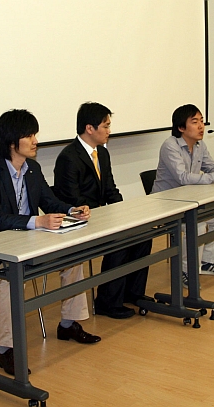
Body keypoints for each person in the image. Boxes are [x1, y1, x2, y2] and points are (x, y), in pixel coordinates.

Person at [0, 109, 100, 376]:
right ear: (11, 141)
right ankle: (7, 349)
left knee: (73, 257)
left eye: (35, 134)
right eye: (29, 135)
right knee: (9, 279)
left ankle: (68, 324)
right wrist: (36, 221)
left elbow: (48, 200)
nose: (35, 141)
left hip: (30, 241)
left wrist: (71, 210)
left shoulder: (32, 169)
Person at [53, 102, 153, 319]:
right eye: (105, 126)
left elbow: (110, 190)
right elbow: (72, 199)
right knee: (119, 241)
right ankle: (107, 302)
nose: (109, 131)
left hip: (98, 217)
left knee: (143, 234)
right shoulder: (69, 157)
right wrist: (104, 216)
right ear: (90, 128)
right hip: (78, 222)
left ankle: (132, 293)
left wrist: (124, 211)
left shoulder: (102, 154)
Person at [152, 104, 214, 287]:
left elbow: (212, 168)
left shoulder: (200, 145)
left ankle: (208, 262)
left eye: (202, 121)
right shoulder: (170, 146)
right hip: (166, 203)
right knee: (197, 223)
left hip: (189, 201)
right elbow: (183, 178)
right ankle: (187, 270)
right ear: (181, 127)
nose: (201, 126)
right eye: (195, 122)